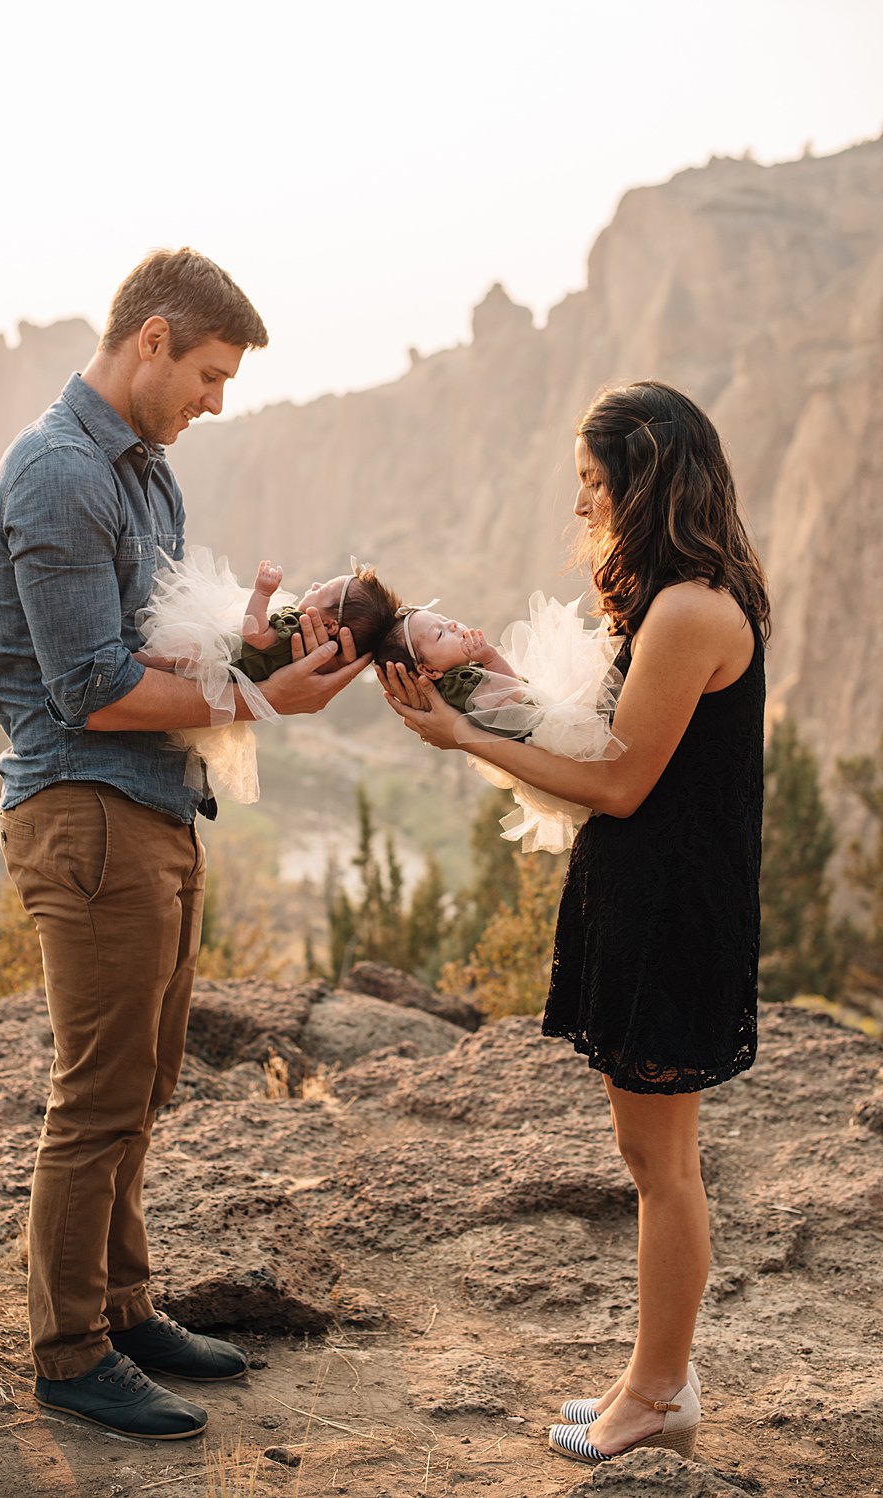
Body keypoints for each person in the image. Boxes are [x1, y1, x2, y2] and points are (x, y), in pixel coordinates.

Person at [0, 247, 368, 1442]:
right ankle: (68, 1353)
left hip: (154, 806)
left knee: (142, 1086)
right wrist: (258, 703)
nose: (215, 399)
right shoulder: (56, 476)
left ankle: (125, 1307)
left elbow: (145, 653)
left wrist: (249, 650)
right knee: (95, 1095)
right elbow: (89, 688)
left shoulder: (147, 481)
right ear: (149, 339)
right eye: (205, 372)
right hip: (84, 809)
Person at [379, 380, 768, 1466]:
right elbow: (593, 736)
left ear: (645, 482)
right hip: (643, 896)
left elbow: (622, 781)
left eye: (597, 484)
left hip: (669, 908)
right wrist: (473, 687)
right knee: (654, 1160)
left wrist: (459, 741)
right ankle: (654, 1382)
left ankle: (655, 1396)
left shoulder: (691, 611)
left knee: (660, 1167)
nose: (584, 504)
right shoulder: (673, 599)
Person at [136, 553, 399, 801]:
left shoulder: (294, 625)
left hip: (221, 659)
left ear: (330, 625)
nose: (315, 584)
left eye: (321, 590)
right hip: (229, 675)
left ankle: (133, 663)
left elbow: (253, 632)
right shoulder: (308, 653)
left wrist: (262, 593)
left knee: (179, 654)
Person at [375, 595, 625, 853]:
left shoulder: (454, 687)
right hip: (546, 733)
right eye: (439, 634)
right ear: (429, 671)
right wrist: (490, 657)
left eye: (445, 620)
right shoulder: (462, 682)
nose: (451, 625)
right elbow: (514, 694)